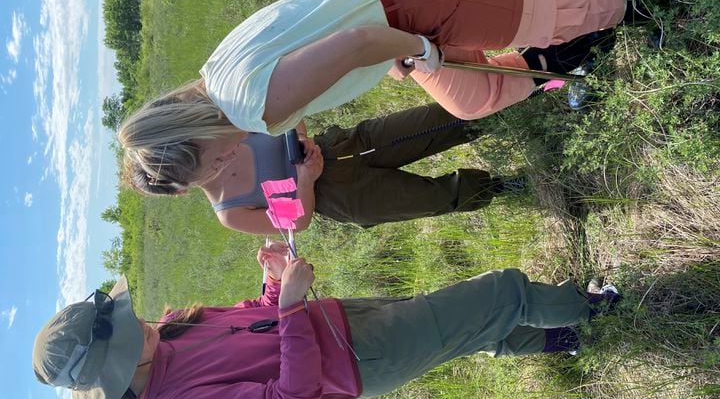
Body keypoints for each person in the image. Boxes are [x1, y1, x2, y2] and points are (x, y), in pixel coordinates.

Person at [118, 0, 649, 187]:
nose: (222, 170)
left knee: (557, 13)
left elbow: (355, 44)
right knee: (468, 97)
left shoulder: (252, 110)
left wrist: (418, 50)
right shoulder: (216, 73)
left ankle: (646, 2)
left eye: (206, 169)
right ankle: (559, 58)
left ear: (198, 141)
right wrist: (398, 52)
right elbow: (323, 36)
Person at [32, 242, 620, 399]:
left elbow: (257, 315)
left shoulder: (170, 336)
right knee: (499, 294)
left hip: (345, 320)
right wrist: (290, 310)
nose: (143, 323)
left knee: (465, 334)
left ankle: (563, 338)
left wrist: (272, 282)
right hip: (366, 358)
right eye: (129, 330)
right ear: (113, 372)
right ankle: (598, 311)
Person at [125, 102, 528, 233]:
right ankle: (508, 187)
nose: (219, 160)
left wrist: (301, 139)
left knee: (436, 122)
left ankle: (515, 106)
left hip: (347, 145)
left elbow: (285, 113)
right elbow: (295, 222)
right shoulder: (231, 210)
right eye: (200, 169)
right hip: (346, 197)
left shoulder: (221, 133)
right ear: (181, 190)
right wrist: (306, 180)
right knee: (438, 197)